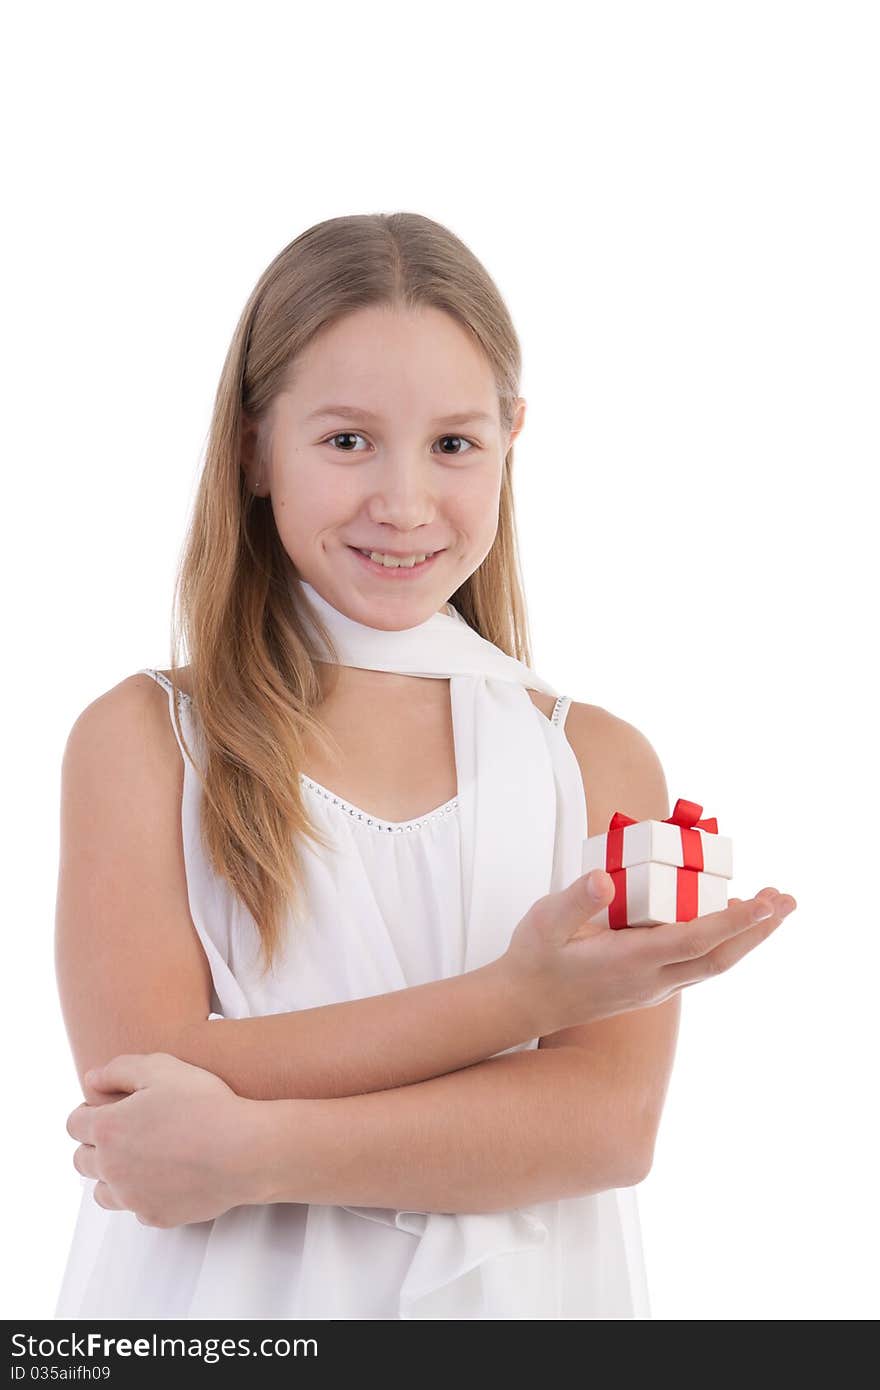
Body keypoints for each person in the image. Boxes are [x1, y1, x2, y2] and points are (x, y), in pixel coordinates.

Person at [54, 211, 797, 1320]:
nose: (402, 504)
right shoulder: (149, 738)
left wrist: (253, 1147)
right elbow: (136, 1092)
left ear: (511, 438)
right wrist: (519, 1000)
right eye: (347, 440)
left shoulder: (589, 757)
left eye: (452, 445)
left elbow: (603, 1126)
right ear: (254, 447)